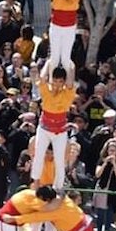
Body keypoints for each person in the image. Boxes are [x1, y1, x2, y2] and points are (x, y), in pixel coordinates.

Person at [31, 62, 76, 191]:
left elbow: (71, 80)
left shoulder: (67, 93)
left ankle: (58, 187)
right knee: (38, 154)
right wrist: (49, 63)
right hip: (44, 128)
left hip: (60, 130)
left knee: (59, 160)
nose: (57, 84)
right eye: (55, 81)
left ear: (63, 82)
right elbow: (41, 78)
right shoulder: (47, 91)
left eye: (59, 81)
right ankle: (36, 183)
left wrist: (69, 66)